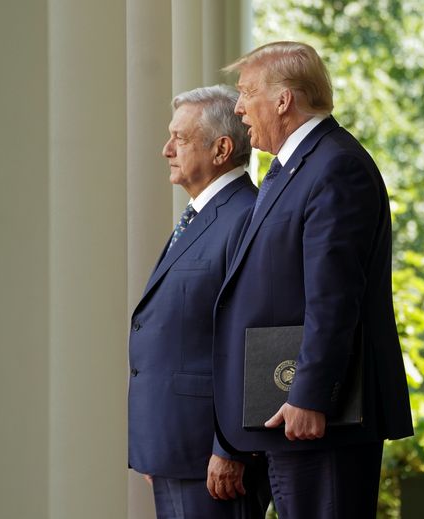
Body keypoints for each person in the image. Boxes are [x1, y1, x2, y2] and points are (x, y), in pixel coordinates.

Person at [211, 41, 414, 518]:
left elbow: (334, 297)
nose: (238, 107)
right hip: (288, 413)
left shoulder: (335, 166)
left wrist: (308, 394)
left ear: (284, 100)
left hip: (321, 417)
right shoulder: (295, 169)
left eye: (247, 93)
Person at [128, 85, 271, 519]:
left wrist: (230, 448)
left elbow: (254, 338)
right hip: (176, 447)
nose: (166, 149)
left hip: (212, 456)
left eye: (181, 138)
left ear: (221, 148)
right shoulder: (201, 216)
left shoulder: (245, 216)